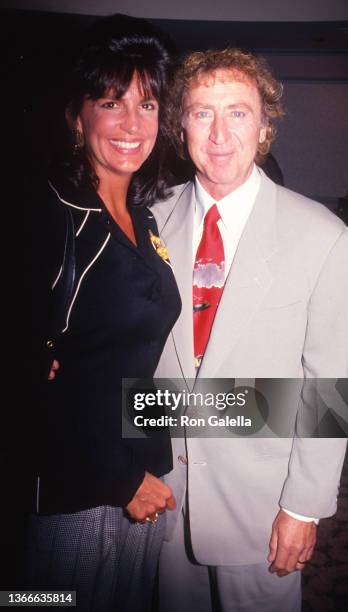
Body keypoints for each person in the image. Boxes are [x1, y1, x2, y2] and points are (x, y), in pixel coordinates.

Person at [151, 49, 348, 611]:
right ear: (179, 125)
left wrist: (304, 507)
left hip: (262, 508)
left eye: (238, 113)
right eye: (201, 113)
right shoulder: (148, 221)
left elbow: (331, 389)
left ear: (265, 126)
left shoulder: (321, 236)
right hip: (163, 499)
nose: (219, 133)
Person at [28, 15, 180, 611]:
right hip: (79, 489)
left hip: (142, 474)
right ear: (78, 114)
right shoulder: (49, 218)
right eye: (111, 102)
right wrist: (119, 481)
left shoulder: (143, 217)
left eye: (146, 104)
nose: (132, 124)